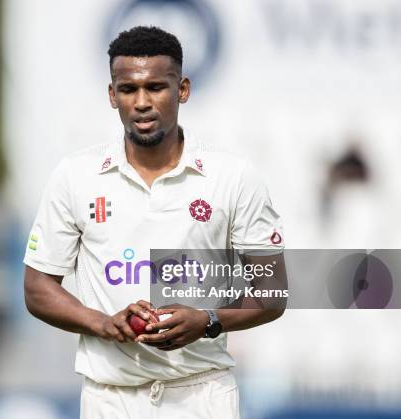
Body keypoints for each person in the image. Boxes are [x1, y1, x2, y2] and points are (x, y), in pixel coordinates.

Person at [23, 26, 286, 419]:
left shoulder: (232, 177)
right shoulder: (74, 176)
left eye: (156, 88)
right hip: (108, 397)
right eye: (128, 90)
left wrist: (207, 320)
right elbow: (37, 288)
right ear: (113, 96)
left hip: (201, 394)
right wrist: (103, 324)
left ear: (182, 90)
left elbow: (274, 291)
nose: (142, 102)